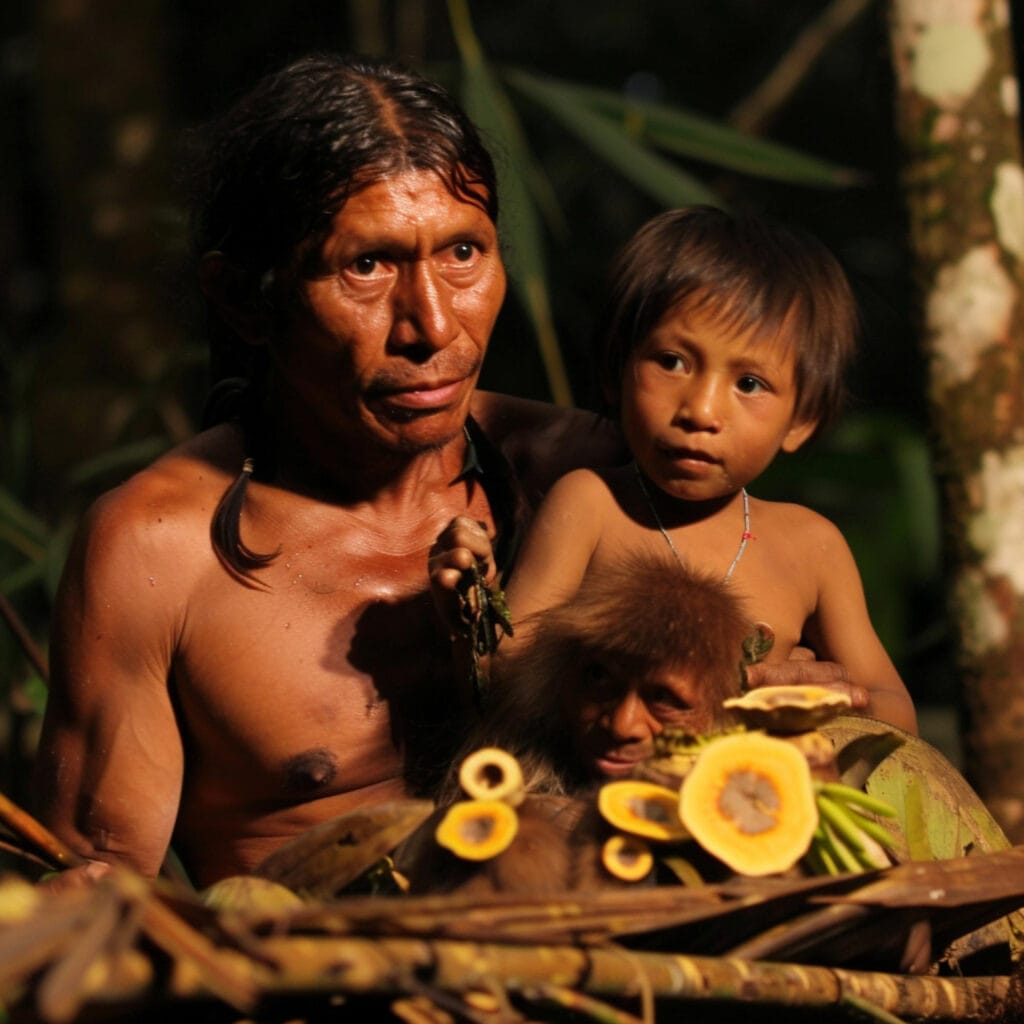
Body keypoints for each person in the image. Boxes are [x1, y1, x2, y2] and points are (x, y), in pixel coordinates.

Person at [31, 57, 853, 890]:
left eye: (463, 252)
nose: (432, 324)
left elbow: (782, 667)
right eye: (368, 266)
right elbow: (90, 891)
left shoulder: (597, 477)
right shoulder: (157, 552)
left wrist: (780, 689)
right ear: (246, 300)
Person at [433, 206, 917, 739]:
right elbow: (506, 681)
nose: (701, 412)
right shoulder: (590, 505)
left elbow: (898, 711)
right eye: (671, 362)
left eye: (750, 384)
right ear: (618, 371)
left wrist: (832, 704)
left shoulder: (811, 546)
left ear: (801, 421)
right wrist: (476, 608)